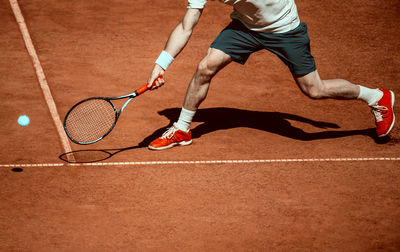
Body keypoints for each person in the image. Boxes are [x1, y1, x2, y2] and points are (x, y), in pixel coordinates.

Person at [146, 0, 395, 150]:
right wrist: (162, 64)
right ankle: (182, 128)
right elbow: (186, 25)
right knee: (205, 67)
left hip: (283, 27)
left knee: (314, 89)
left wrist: (311, 123)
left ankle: (376, 97)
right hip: (246, 26)